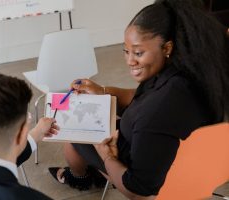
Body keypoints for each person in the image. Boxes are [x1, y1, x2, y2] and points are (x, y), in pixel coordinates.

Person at [49, 0, 229, 199]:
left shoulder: (156, 111)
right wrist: (102, 91)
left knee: (74, 135)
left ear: (167, 47)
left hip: (146, 171)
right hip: (197, 165)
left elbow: (136, 190)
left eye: (138, 52)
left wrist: (107, 157)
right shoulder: (189, 73)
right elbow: (140, 98)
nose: (129, 61)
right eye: (126, 51)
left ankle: (79, 178)